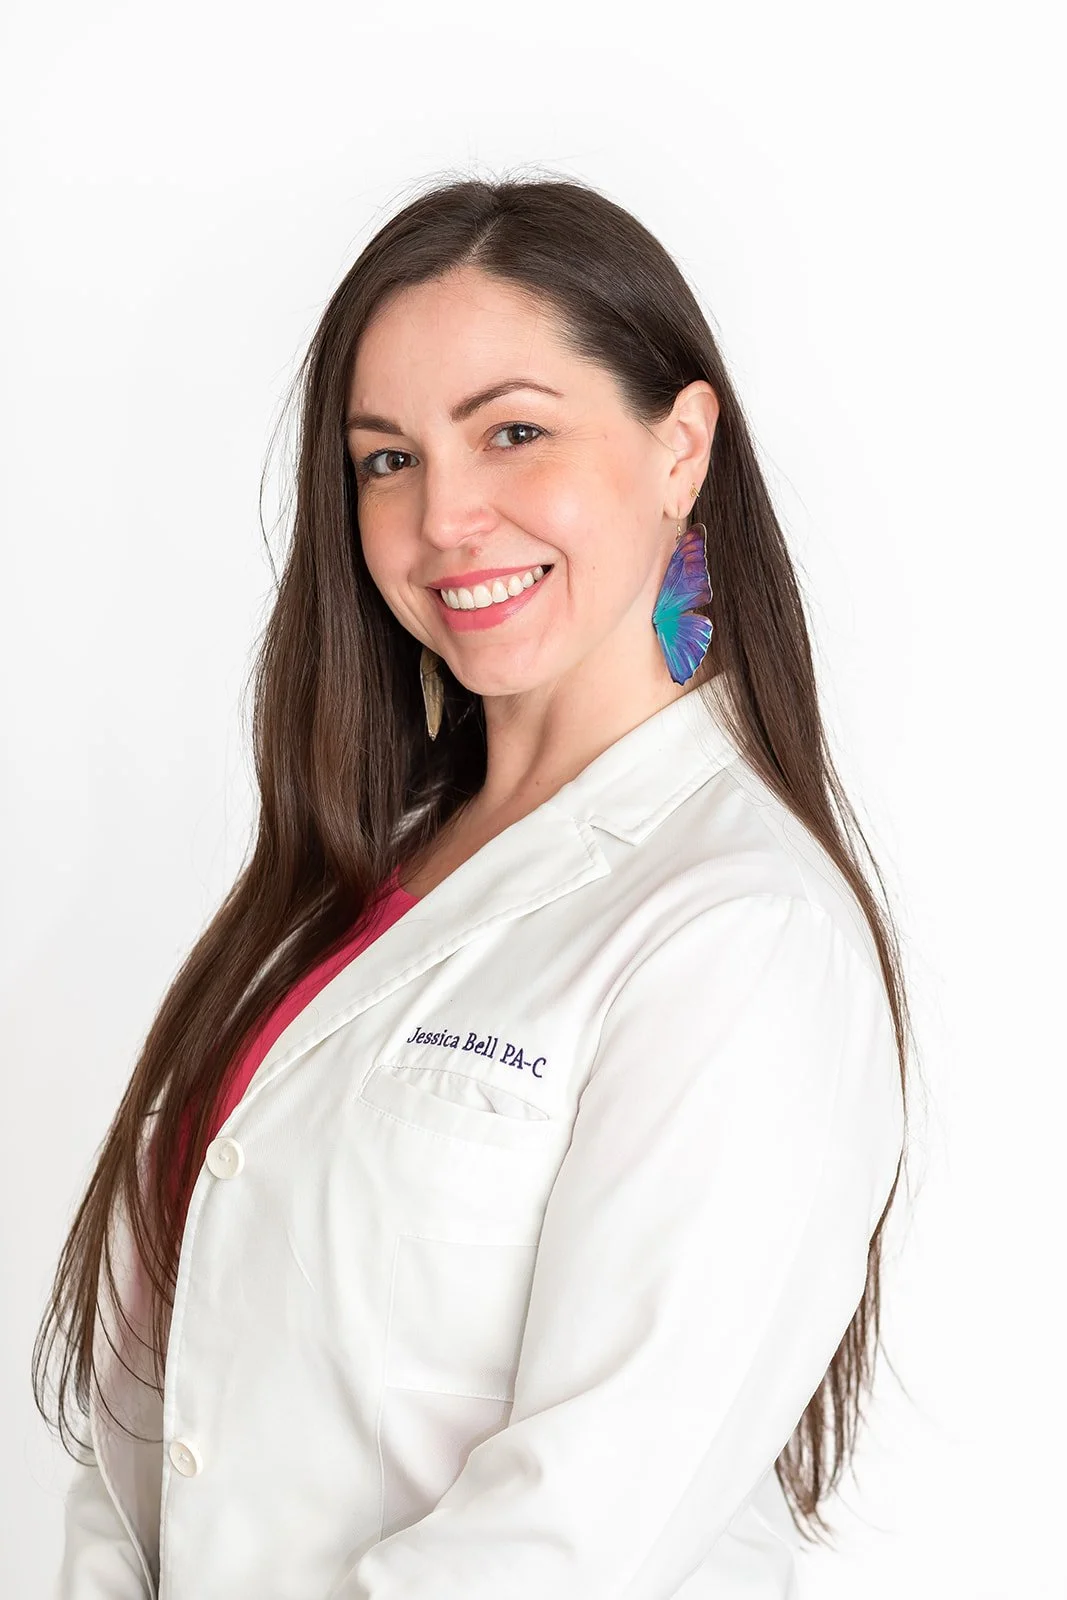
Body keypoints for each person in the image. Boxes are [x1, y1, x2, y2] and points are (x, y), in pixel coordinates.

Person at [34, 174, 913, 1600]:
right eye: (385, 459)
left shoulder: (740, 933)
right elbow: (153, 1436)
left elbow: (573, 1534)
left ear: (679, 446)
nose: (445, 518)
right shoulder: (337, 880)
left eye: (514, 433)